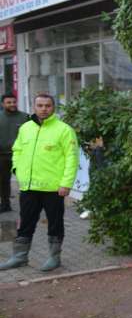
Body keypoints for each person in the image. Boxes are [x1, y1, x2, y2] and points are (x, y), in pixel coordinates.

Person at [0, 94, 78, 272]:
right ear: (34, 107)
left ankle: (54, 258)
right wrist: (17, 171)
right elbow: (17, 150)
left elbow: (72, 159)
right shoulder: (26, 128)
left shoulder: (64, 130)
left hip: (53, 188)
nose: (44, 109)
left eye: (48, 105)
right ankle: (20, 257)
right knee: (25, 222)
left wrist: (66, 184)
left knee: (55, 223)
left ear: (54, 107)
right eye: (40, 105)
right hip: (28, 187)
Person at [0, 93, 29, 212]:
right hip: (2, 156)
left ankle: (28, 205)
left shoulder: (25, 117)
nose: (12, 104)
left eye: (14, 102)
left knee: (25, 180)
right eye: (9, 102)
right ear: (3, 104)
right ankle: (5, 204)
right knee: (3, 181)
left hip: (22, 155)